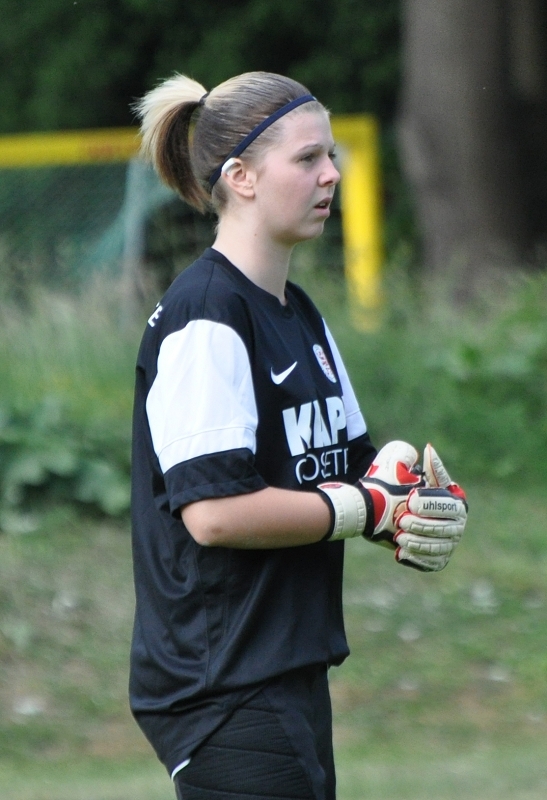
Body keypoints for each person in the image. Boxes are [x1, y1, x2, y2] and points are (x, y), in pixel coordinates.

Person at [129, 71, 468, 800]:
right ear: (241, 176)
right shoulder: (208, 316)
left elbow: (348, 471)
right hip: (222, 687)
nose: (332, 175)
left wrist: (406, 497)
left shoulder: (297, 312)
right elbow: (214, 514)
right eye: (308, 158)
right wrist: (365, 509)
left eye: (331, 156)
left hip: (283, 671)